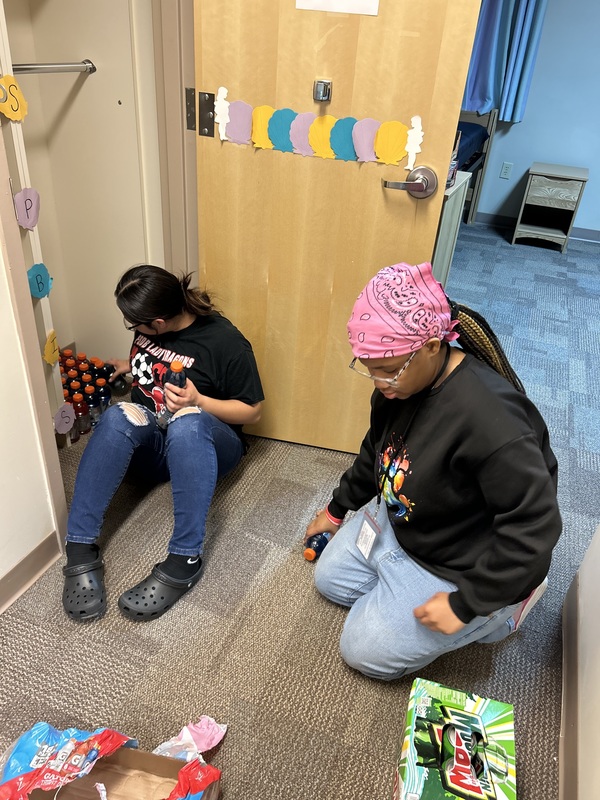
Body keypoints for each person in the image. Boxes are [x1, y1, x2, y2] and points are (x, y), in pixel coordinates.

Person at [305, 261, 561, 680]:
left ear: (430, 345)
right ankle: (397, 580)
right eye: (368, 368)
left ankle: (504, 610)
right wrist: (336, 510)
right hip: (410, 520)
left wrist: (466, 604)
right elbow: (378, 451)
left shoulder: (492, 421)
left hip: (461, 560)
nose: (378, 382)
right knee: (330, 581)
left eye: (388, 370)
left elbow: (535, 529)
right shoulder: (397, 387)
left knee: (363, 651)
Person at [62, 265, 264, 622]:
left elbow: (252, 411)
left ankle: (185, 559)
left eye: (133, 323)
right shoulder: (153, 330)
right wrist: (130, 365)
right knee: (115, 415)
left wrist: (198, 401)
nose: (130, 327)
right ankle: (79, 547)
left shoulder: (225, 342)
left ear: (158, 322)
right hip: (156, 441)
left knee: (187, 423)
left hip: (209, 442)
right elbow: (156, 361)